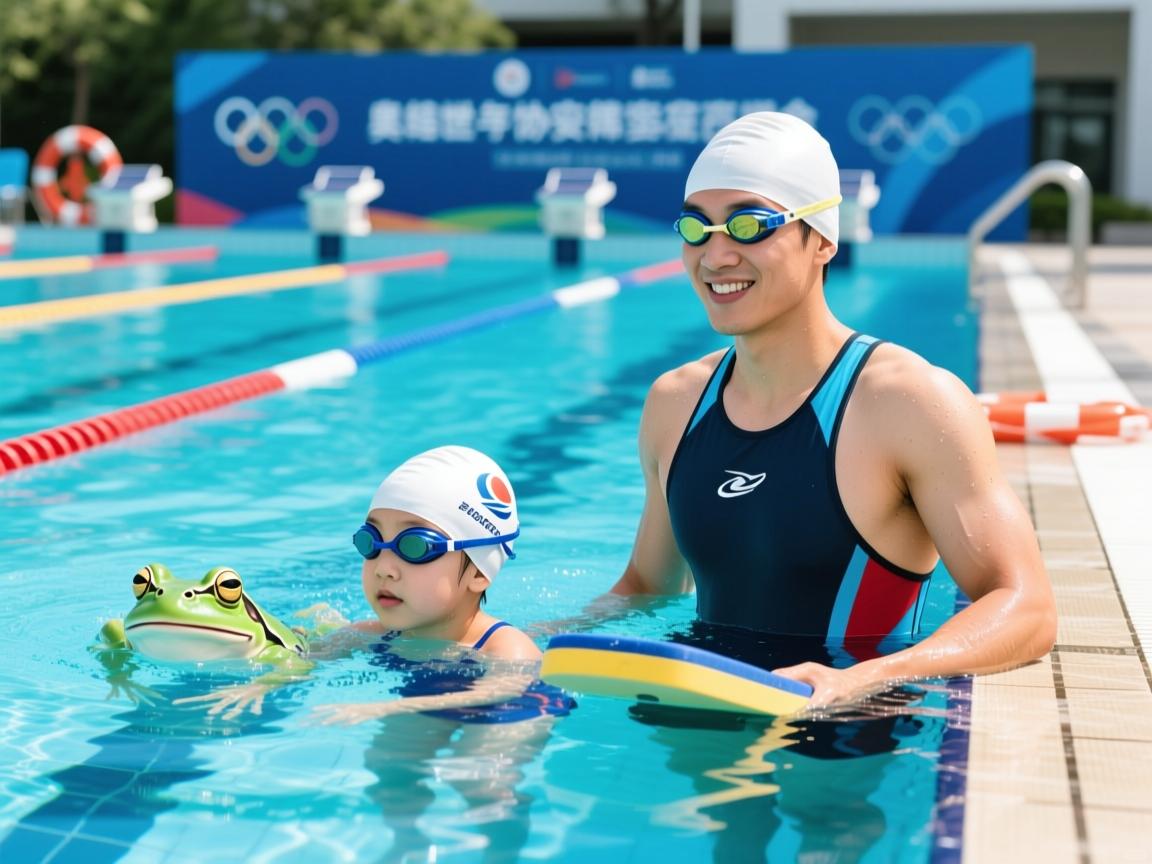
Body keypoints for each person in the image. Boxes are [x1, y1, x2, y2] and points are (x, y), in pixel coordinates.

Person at [610, 112, 1056, 707]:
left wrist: (867, 678)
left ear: (821, 238)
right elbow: (647, 585)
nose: (715, 256)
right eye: (697, 228)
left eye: (749, 225)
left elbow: (1026, 606)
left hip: (844, 735)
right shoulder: (676, 402)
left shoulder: (909, 403)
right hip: (692, 718)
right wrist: (533, 646)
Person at [180, 445, 564, 724]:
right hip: (420, 699)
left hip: (512, 712)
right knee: (389, 772)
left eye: (415, 547)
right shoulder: (371, 633)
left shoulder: (505, 647)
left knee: (483, 775)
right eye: (372, 543)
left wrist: (385, 708)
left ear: (480, 571)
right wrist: (261, 685)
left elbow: (499, 691)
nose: (384, 568)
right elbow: (302, 660)